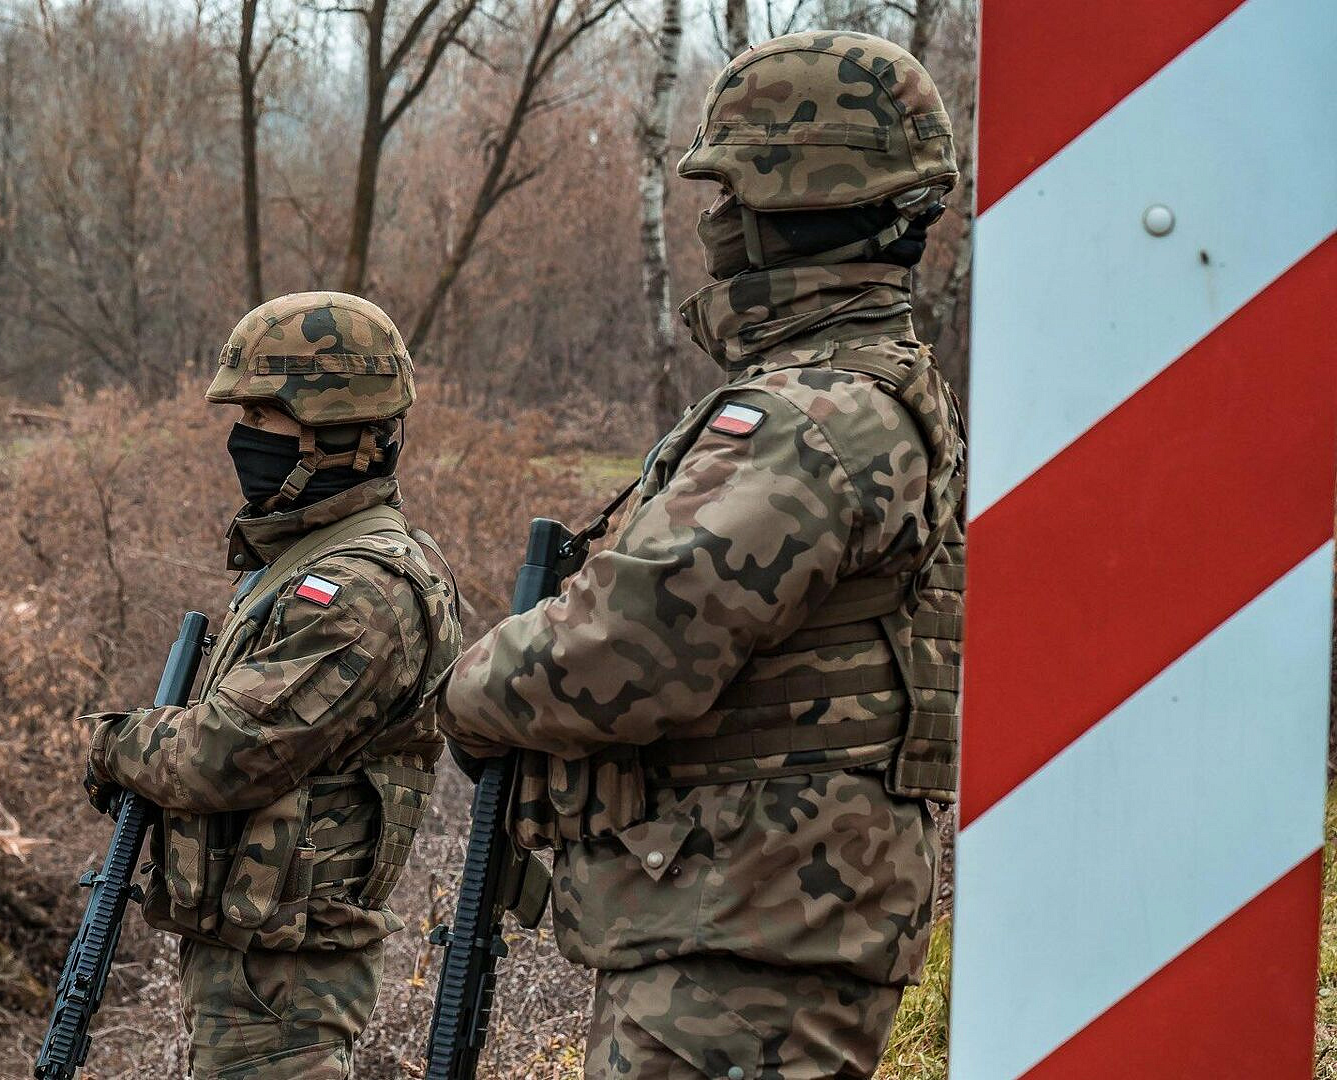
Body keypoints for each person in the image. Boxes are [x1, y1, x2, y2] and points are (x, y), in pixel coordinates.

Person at [436, 31, 966, 1079]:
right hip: (745, 920)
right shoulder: (857, 387)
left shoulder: (811, 416)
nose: (714, 220)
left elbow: (622, 650)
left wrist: (467, 691)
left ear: (793, 203)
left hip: (753, 932)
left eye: (731, 192)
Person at [84, 291, 463, 1079]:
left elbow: (226, 753)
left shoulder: (362, 591)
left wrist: (112, 743)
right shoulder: (299, 564)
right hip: (255, 968)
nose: (242, 440)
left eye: (265, 419)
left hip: (288, 983)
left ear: (335, 436)